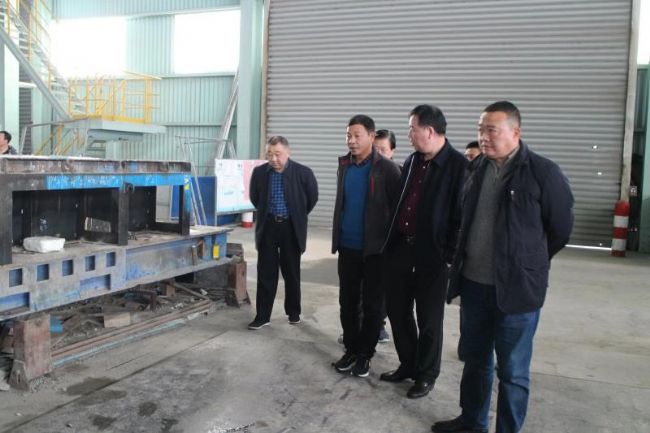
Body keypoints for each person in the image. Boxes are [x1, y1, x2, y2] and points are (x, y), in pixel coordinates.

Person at [432, 101, 574, 433]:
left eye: (491, 130)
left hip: (517, 291)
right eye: (480, 129)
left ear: (515, 132)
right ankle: (473, 422)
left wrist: (528, 264)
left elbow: (560, 229)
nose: (483, 136)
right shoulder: (475, 169)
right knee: (475, 359)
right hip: (474, 285)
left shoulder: (542, 172)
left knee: (512, 371)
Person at [380, 104, 467, 399]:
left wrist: (447, 257)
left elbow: (460, 218)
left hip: (433, 256)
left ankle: (426, 375)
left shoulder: (458, 166)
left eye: (412, 129)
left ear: (429, 131)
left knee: (429, 319)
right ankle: (408, 364)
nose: (408, 135)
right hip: (401, 249)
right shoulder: (413, 161)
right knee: (398, 311)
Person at [331, 114, 401, 377]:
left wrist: (392, 247)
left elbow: (397, 211)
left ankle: (365, 355)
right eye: (348, 135)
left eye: (357, 135)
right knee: (347, 303)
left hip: (375, 251)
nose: (351, 140)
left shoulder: (387, 169)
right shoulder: (344, 166)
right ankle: (350, 350)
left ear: (371, 136)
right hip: (347, 247)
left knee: (372, 306)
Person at [247, 136, 318, 330]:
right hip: (268, 226)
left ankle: (293, 313)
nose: (273, 159)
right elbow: (255, 198)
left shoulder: (303, 173)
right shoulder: (260, 173)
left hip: (290, 227)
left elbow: (311, 199)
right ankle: (262, 316)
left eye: (278, 154)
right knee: (265, 273)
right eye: (269, 154)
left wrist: (296, 215)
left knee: (291, 273)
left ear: (288, 152)